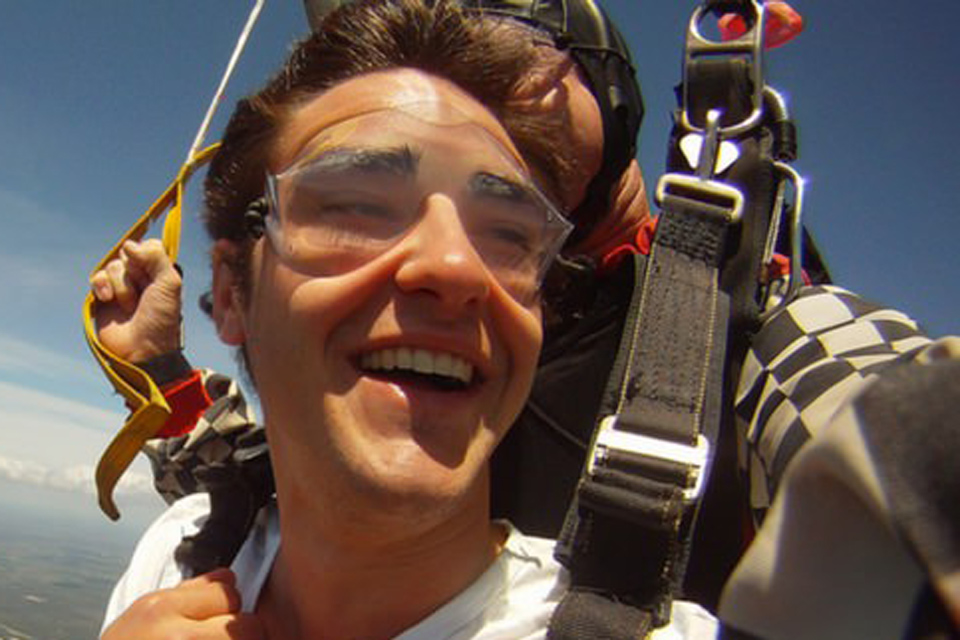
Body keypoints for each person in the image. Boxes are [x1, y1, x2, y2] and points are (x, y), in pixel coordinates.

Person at [94, 1, 718, 637]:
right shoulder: (182, 555)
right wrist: (158, 367)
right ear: (231, 293)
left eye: (506, 233)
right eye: (358, 206)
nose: (455, 265)